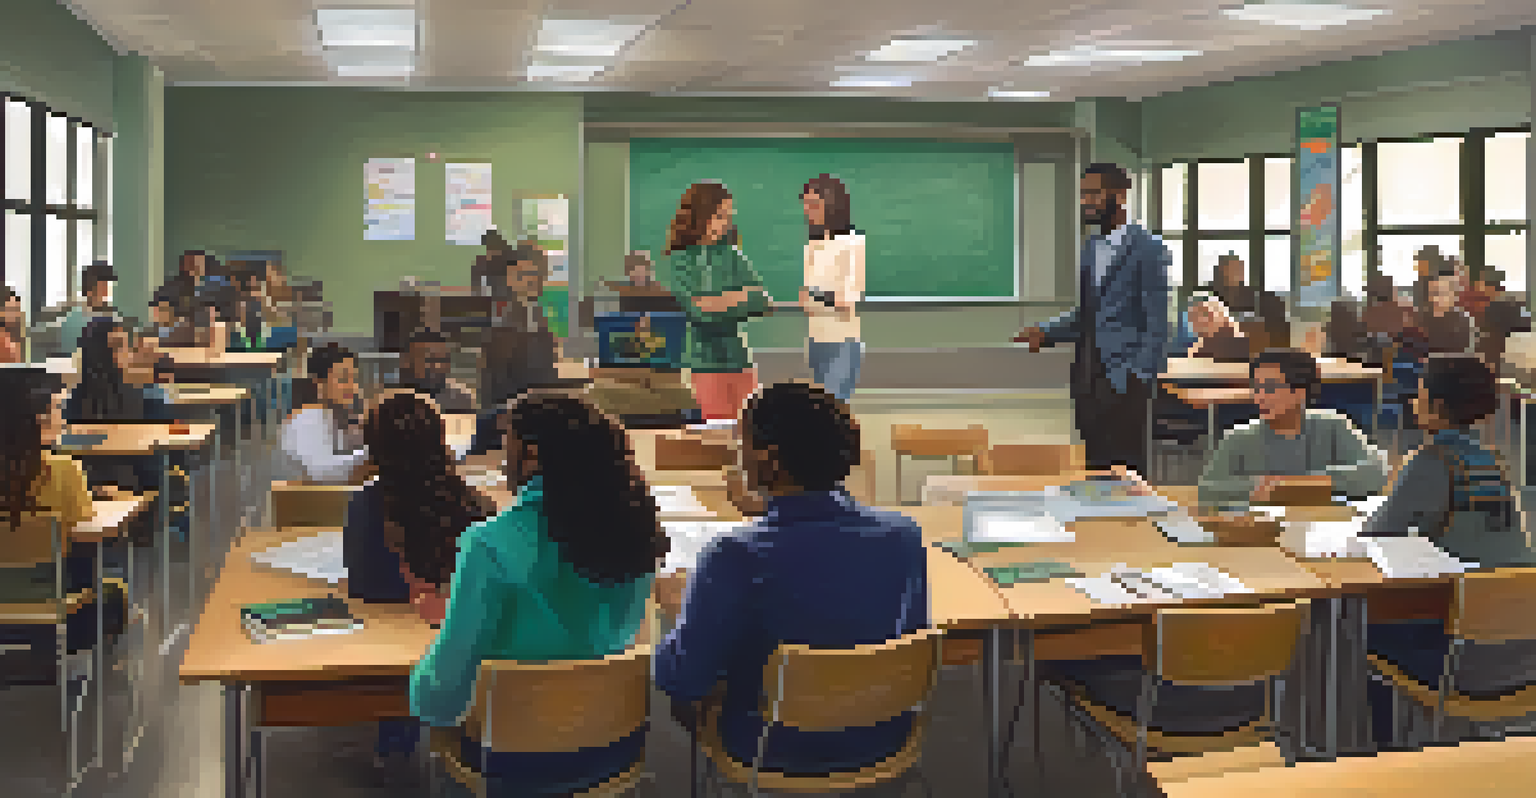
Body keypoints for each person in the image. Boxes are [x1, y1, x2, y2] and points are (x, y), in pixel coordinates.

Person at [655, 381, 929, 776]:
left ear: (771, 459)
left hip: (772, 747)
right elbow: (912, 636)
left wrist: (678, 611)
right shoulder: (904, 533)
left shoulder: (733, 555)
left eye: (741, 442)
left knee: (691, 693)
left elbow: (683, 680)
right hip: (883, 737)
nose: (738, 454)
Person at [410, 392, 665, 795]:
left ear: (530, 454)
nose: (500, 455)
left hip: (509, 756)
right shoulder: (634, 529)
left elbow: (443, 692)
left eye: (505, 442)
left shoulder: (488, 544)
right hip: (612, 746)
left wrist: (417, 691)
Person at [1362, 354, 1536, 748]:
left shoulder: (1433, 459)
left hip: (1463, 660)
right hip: (1523, 650)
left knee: (1359, 628)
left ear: (1437, 405)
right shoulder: (1494, 460)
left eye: (1420, 393)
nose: (1413, 401)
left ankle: (1383, 754)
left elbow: (1378, 530)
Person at [345, 391, 495, 766]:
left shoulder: (365, 504)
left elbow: (363, 584)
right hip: (456, 641)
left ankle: (394, 748)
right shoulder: (471, 504)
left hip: (380, 636)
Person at [1014, 163, 1171, 476]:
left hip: (1124, 379)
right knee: (1095, 469)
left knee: (1126, 471)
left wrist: (1138, 375)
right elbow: (1089, 314)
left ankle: (1132, 523)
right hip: (1087, 378)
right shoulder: (1090, 249)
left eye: (1094, 194)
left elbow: (1157, 323)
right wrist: (1045, 332)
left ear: (1120, 195)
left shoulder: (1148, 249)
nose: (1086, 201)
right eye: (1083, 194)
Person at [0, 369, 127, 669]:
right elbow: (88, 527)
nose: (61, 413)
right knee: (111, 587)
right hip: (58, 614)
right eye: (55, 407)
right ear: (36, 420)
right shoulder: (63, 470)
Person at [1198, 348, 1390, 507]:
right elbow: (1208, 490)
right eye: (1256, 388)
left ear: (1300, 392)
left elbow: (1376, 472)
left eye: (1271, 388)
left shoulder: (1333, 425)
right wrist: (1260, 488)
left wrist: (1300, 484)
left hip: (1322, 531)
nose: (1261, 397)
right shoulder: (1239, 437)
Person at [661, 181, 774, 423]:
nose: (727, 223)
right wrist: (737, 297)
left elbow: (762, 302)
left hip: (740, 360)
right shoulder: (680, 260)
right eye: (720, 215)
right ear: (701, 215)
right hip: (703, 363)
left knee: (751, 430)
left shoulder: (732, 255)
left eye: (728, 216)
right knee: (715, 435)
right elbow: (700, 313)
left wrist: (719, 301)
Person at [799, 174, 866, 403]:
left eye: (814, 204)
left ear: (832, 205)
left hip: (842, 339)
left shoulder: (853, 242)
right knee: (820, 407)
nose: (809, 211)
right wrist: (821, 297)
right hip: (816, 337)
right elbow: (806, 301)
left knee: (836, 407)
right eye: (806, 205)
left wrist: (816, 297)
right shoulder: (813, 245)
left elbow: (846, 299)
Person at [278, 343, 367, 484]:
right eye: (343, 379)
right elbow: (320, 472)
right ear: (319, 382)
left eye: (354, 379)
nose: (353, 386)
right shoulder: (304, 420)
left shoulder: (333, 415)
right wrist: (370, 456)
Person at [35, 260, 119, 358]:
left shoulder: (112, 315)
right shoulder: (76, 318)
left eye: (108, 286)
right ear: (90, 289)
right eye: (104, 286)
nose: (107, 291)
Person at [1209, 253, 1288, 350]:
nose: (1230, 274)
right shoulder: (1213, 302)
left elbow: (1279, 338)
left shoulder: (1264, 300)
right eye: (1226, 271)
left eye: (1235, 270)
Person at [391, 329, 474, 413]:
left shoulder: (458, 399)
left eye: (443, 360)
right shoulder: (390, 399)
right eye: (429, 360)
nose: (438, 366)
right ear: (406, 361)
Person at [1468, 267, 1531, 369]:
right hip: (1514, 354)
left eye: (1481, 282)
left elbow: (1486, 336)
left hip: (1498, 357)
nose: (1478, 286)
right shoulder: (1514, 303)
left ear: (1487, 286)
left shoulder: (1492, 308)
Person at [1413, 266, 1475, 357]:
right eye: (1433, 293)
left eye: (1442, 293)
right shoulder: (1420, 318)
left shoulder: (1463, 320)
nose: (1435, 299)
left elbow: (1463, 354)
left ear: (1454, 295)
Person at [1186, 293, 1251, 362]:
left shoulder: (1238, 341)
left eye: (1205, 314)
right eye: (1193, 317)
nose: (1195, 322)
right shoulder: (1200, 347)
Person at [1, 284, 26, 363]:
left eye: (18, 309)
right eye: (12, 310)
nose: (17, 315)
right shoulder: (4, 340)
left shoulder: (15, 337)